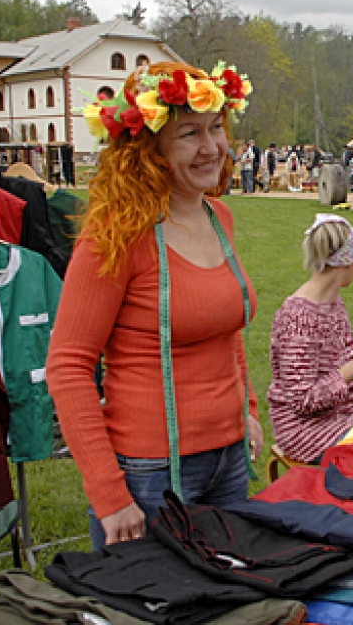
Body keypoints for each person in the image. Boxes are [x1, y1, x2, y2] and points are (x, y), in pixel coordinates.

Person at [48, 61, 264, 549]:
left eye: (216, 128)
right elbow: (68, 367)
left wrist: (246, 408)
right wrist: (109, 494)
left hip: (229, 460)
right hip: (150, 474)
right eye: (190, 133)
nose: (211, 148)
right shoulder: (115, 238)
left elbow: (225, 327)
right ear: (150, 147)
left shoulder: (219, 218)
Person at [266, 215, 353, 463]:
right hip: (306, 430)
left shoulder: (332, 302)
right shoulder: (298, 318)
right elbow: (303, 401)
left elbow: (331, 361)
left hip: (343, 412)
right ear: (348, 262)